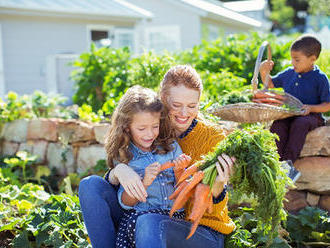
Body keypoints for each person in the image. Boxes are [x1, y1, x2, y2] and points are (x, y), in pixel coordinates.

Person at [79, 65, 236, 248]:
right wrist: (118, 171)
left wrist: (217, 185)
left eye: (192, 106)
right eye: (176, 105)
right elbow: (127, 175)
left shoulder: (212, 137)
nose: (184, 114)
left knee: (148, 222)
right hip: (145, 216)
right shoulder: (151, 127)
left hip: (200, 231)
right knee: (90, 185)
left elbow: (211, 206)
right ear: (162, 100)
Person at [104, 85, 185, 248]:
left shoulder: (172, 148)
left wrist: (179, 171)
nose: (150, 134)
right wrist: (144, 183)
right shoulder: (126, 157)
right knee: (141, 222)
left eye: (155, 126)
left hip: (174, 220)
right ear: (127, 127)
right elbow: (125, 202)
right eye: (142, 128)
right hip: (141, 220)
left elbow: (185, 194)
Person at [259, 34, 330, 165]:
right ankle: (274, 162)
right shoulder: (289, 73)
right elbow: (271, 84)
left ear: (312, 59)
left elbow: (327, 105)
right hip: (289, 114)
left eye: (297, 60)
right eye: (292, 59)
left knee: (300, 124)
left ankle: (288, 163)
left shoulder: (320, 78)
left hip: (311, 117)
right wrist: (264, 72)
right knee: (278, 125)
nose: (293, 63)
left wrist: (311, 108)